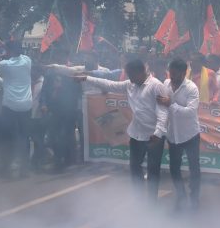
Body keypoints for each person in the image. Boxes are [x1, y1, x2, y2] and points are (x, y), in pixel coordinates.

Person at [49, 58, 168, 199]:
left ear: (141, 72)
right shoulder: (130, 85)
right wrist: (86, 78)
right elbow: (109, 84)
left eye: (131, 75)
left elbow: (163, 111)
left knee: (153, 169)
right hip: (136, 134)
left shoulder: (156, 86)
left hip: (154, 137)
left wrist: (158, 133)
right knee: (135, 167)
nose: (129, 78)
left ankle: (152, 201)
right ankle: (139, 199)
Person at [158, 58, 201, 211]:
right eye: (170, 73)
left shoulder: (192, 88)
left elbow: (190, 112)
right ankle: (181, 195)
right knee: (174, 168)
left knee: (194, 168)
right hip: (172, 134)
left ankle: (194, 198)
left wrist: (170, 104)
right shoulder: (166, 84)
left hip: (190, 134)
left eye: (175, 74)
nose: (172, 77)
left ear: (184, 73)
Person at [0, 40, 32, 178]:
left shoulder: (5, 64)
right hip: (26, 105)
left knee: (7, 137)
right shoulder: (27, 61)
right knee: (24, 137)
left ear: (10, 51)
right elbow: (15, 52)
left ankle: (5, 168)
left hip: (10, 105)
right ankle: (24, 169)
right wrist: (6, 46)